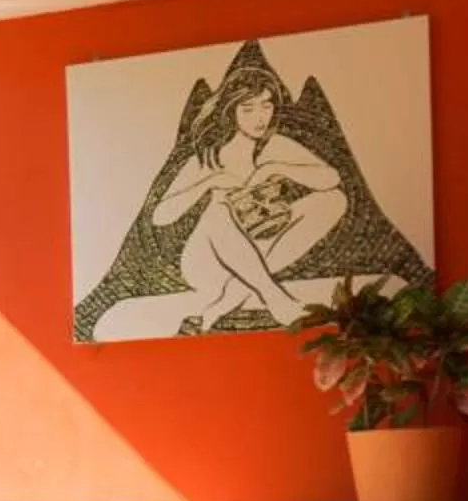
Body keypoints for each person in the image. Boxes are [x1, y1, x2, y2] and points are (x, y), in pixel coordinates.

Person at [148, 68, 349, 334]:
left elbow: (331, 179)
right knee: (220, 209)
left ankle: (220, 307)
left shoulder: (275, 146)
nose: (260, 117)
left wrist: (277, 168)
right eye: (248, 108)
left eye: (267, 105)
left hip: (262, 247)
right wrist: (208, 182)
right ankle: (276, 298)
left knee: (333, 200)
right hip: (209, 260)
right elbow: (160, 216)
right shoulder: (208, 157)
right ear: (230, 111)